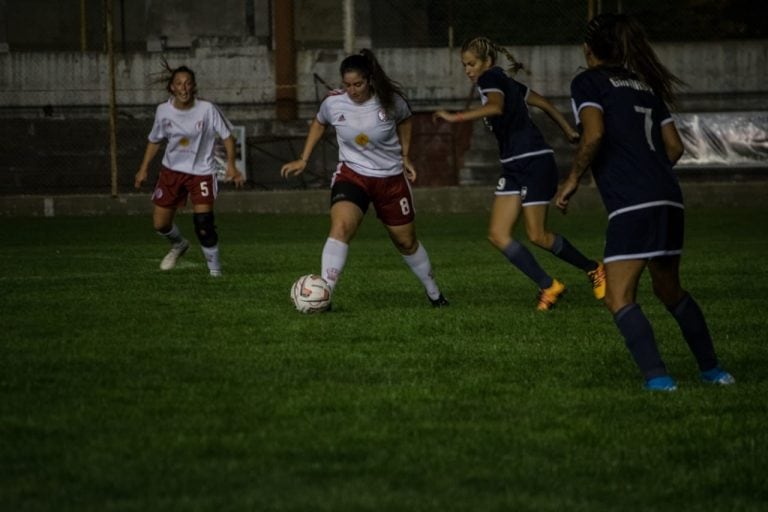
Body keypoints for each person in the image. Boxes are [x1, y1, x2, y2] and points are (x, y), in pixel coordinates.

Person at [555, 13, 734, 391]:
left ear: (589, 50)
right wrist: (650, 174)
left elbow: (593, 134)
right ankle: (713, 370)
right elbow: (675, 147)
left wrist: (571, 180)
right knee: (669, 290)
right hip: (669, 197)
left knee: (618, 297)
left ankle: (659, 379)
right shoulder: (644, 85)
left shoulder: (588, 81)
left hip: (633, 203)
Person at [433, 36, 605, 311]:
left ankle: (593, 268)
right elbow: (543, 102)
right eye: (464, 65)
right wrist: (568, 130)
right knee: (498, 234)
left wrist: (456, 118)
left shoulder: (489, 79)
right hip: (513, 164)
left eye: (471, 64)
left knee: (537, 235)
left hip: (533, 161)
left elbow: (495, 107)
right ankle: (549, 286)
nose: (468, 70)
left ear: (487, 62)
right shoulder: (507, 82)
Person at [280, 49, 448, 308]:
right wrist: (304, 158)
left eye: (357, 84)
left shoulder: (390, 101)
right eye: (347, 85)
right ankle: (325, 296)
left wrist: (405, 155)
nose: (352, 90)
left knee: (406, 241)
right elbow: (319, 122)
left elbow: (405, 120)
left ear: (369, 79)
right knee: (341, 228)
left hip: (390, 180)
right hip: (352, 175)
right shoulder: (333, 102)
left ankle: (435, 295)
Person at [134, 63, 244, 276]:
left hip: (201, 172)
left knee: (204, 223)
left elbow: (228, 137)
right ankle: (178, 244)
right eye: (179, 84)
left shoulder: (207, 109)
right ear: (171, 88)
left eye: (188, 84)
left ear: (193, 87)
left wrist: (231, 166)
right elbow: (155, 140)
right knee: (160, 224)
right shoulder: (163, 111)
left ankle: (215, 272)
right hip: (171, 172)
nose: (183, 88)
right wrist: (143, 168)